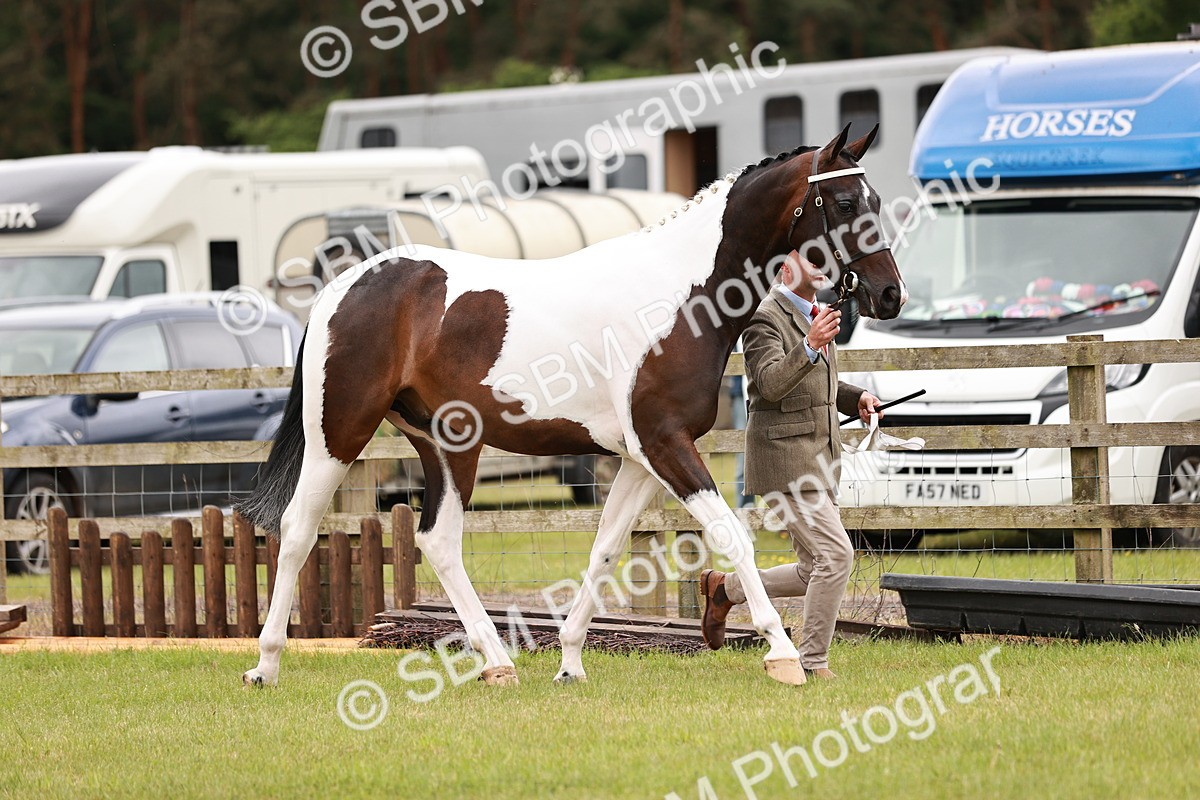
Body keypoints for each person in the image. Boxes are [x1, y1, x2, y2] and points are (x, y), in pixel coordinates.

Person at [700, 251, 883, 679]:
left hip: (819, 458)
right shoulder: (765, 318)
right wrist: (810, 345)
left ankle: (724, 590)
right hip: (784, 460)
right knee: (836, 557)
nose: (821, 262)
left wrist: (854, 398)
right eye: (808, 256)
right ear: (784, 268)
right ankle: (812, 661)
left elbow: (820, 380)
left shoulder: (816, 312)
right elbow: (769, 384)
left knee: (810, 570)